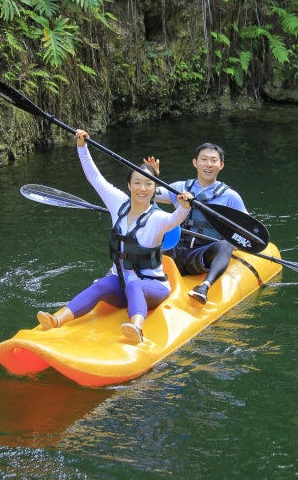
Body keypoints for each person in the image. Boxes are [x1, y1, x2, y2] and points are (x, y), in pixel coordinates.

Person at [37, 130, 193, 343]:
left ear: (155, 189)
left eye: (148, 184)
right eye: (137, 183)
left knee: (134, 284)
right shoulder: (117, 202)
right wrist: (82, 147)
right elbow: (95, 177)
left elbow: (175, 219)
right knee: (101, 284)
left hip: (152, 287)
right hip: (122, 282)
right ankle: (57, 319)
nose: (142, 188)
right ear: (129, 186)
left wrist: (184, 207)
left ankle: (137, 329)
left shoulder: (158, 218)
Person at [149, 142, 247, 304]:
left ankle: (204, 287)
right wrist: (152, 178)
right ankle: (121, 275)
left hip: (202, 255)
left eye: (213, 160)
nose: (208, 164)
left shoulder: (230, 196)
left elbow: (246, 229)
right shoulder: (180, 187)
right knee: (150, 231)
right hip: (175, 252)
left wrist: (235, 240)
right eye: (204, 159)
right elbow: (149, 196)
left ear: (221, 165)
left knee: (226, 245)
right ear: (195, 162)